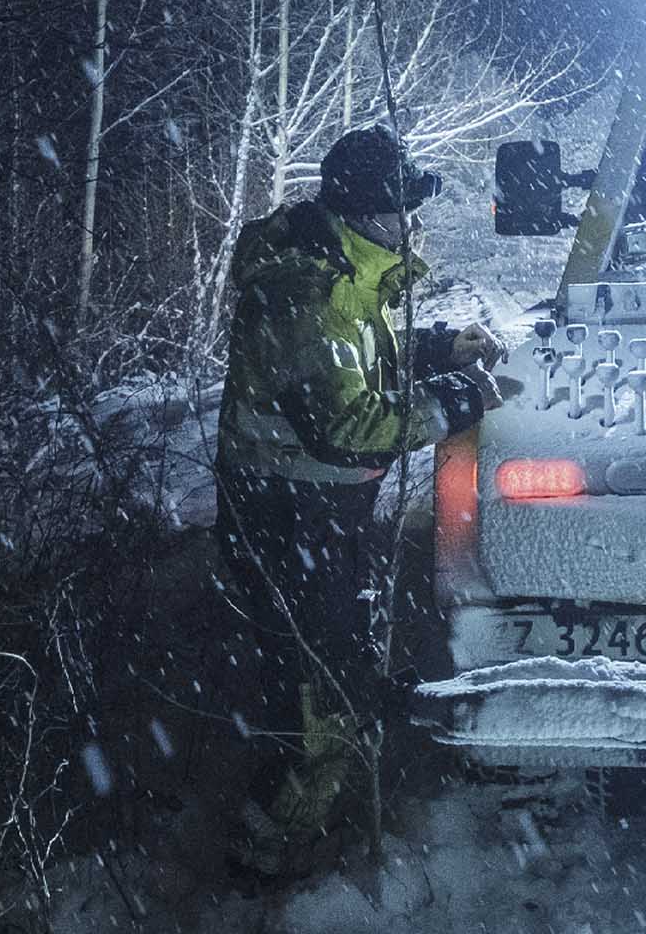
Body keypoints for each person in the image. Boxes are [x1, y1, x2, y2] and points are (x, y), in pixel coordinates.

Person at [213, 124, 504, 874]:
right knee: (319, 696)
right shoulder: (313, 291)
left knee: (335, 674)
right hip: (289, 520)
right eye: (404, 207)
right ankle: (268, 858)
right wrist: (452, 403)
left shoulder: (342, 271)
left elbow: (353, 358)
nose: (413, 223)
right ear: (370, 211)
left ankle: (299, 826)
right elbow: (345, 426)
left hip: (318, 519)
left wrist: (437, 349)